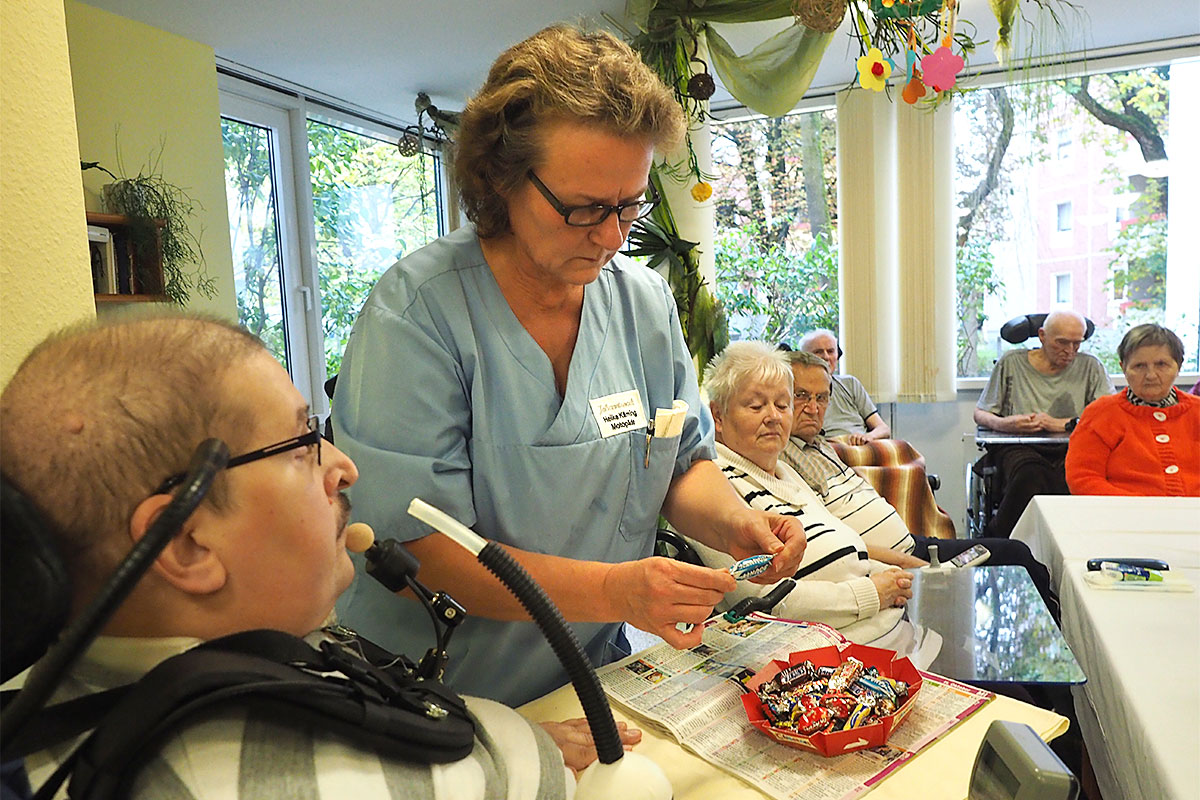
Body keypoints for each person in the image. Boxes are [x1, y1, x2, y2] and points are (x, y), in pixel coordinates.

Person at [331, 24, 805, 707]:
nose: (612, 237)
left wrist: (737, 524)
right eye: (584, 208)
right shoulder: (419, 313)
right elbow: (424, 553)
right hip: (441, 687)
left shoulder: (642, 304)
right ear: (501, 178)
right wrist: (615, 591)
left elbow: (680, 463)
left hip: (588, 674)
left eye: (629, 206)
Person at [0, 315, 641, 800]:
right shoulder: (329, 782)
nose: (343, 466)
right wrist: (508, 763)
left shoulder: (59, 700)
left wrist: (485, 744)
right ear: (186, 541)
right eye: (303, 443)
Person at [779, 350, 1058, 616]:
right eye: (801, 396)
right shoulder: (782, 457)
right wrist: (918, 567)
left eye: (822, 397)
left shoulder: (819, 445)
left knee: (1017, 555)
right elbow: (836, 543)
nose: (813, 408)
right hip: (897, 557)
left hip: (911, 543)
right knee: (1016, 554)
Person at [681, 341, 915, 648]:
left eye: (782, 405)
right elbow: (760, 600)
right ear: (719, 416)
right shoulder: (709, 486)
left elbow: (846, 545)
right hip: (829, 656)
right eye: (755, 405)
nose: (773, 417)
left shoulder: (784, 472)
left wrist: (891, 578)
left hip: (888, 627)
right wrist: (872, 594)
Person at [973, 309, 1114, 536]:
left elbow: (1107, 416)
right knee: (1030, 475)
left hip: (1073, 447)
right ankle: (1000, 541)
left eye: (1077, 344)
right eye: (1062, 343)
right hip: (1018, 447)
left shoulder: (1091, 366)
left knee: (1073, 477)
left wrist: (1065, 424)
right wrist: (1007, 424)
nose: (1070, 351)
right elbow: (981, 414)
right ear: (1042, 335)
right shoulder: (1012, 363)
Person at [1066, 324, 1199, 496]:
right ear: (1123, 368)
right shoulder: (1101, 413)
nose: (1151, 375)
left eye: (1161, 364)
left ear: (1178, 367)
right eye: (1139, 366)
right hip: (1124, 517)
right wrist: (1137, 510)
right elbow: (1083, 478)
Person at [797, 329, 891, 444]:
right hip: (831, 448)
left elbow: (883, 429)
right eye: (818, 352)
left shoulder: (850, 384)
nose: (826, 357)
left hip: (863, 445)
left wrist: (868, 437)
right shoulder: (797, 394)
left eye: (830, 351)